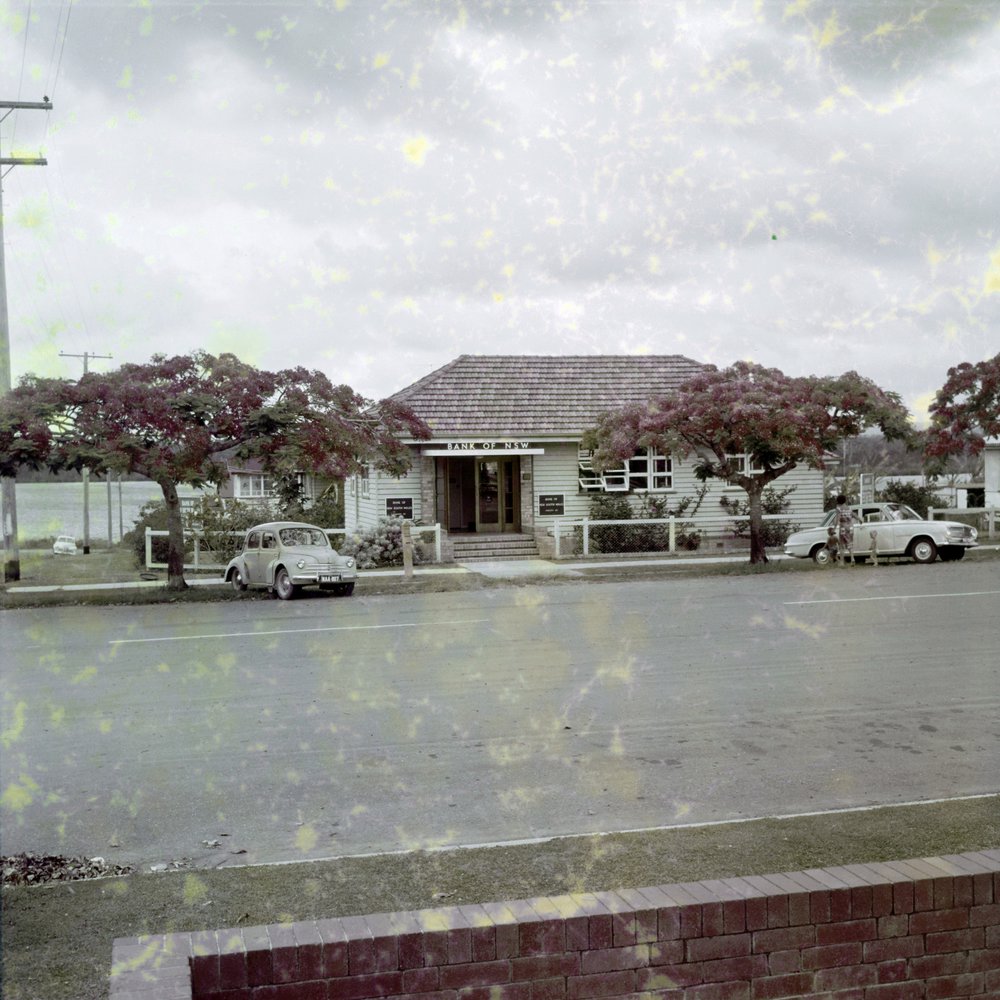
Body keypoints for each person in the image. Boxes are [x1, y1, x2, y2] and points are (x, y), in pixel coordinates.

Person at [834, 494, 855, 565]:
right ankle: (852, 558)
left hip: (843, 527)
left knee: (842, 544)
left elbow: (837, 519)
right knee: (850, 543)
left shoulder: (838, 508)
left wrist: (834, 528)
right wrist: (860, 519)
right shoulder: (849, 508)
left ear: (838, 501)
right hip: (850, 527)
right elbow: (853, 514)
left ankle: (842, 562)